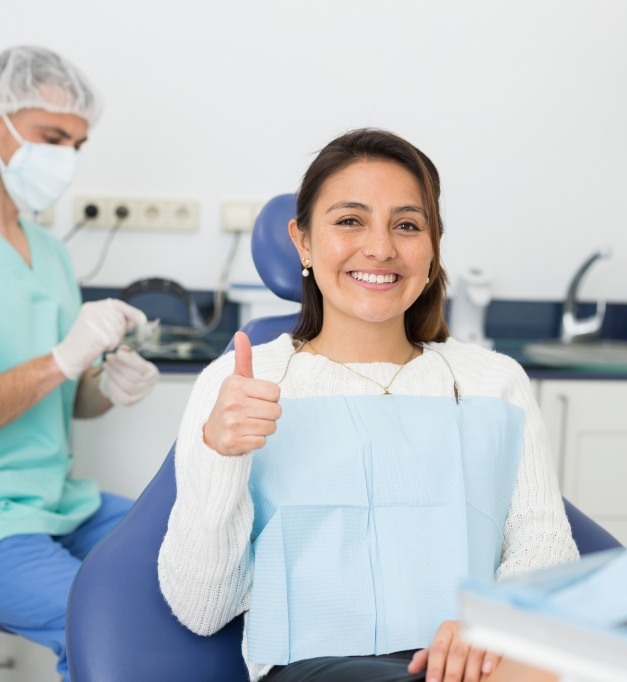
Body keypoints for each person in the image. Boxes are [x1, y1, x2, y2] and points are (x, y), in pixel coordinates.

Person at [158, 128, 578, 682]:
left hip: (478, 661)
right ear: (303, 242)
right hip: (320, 666)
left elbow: (544, 550)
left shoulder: (491, 380)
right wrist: (221, 455)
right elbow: (203, 609)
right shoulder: (243, 382)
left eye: (407, 225)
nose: (381, 248)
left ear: (432, 248)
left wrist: (494, 625)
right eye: (349, 220)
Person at [0, 45, 159, 680]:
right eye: (50, 137)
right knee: (107, 628)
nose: (64, 158)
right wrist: (64, 359)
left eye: (77, 144)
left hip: (62, 500)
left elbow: (66, 398)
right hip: (4, 523)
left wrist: (106, 387)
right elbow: (53, 366)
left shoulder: (49, 250)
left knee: (198, 558)